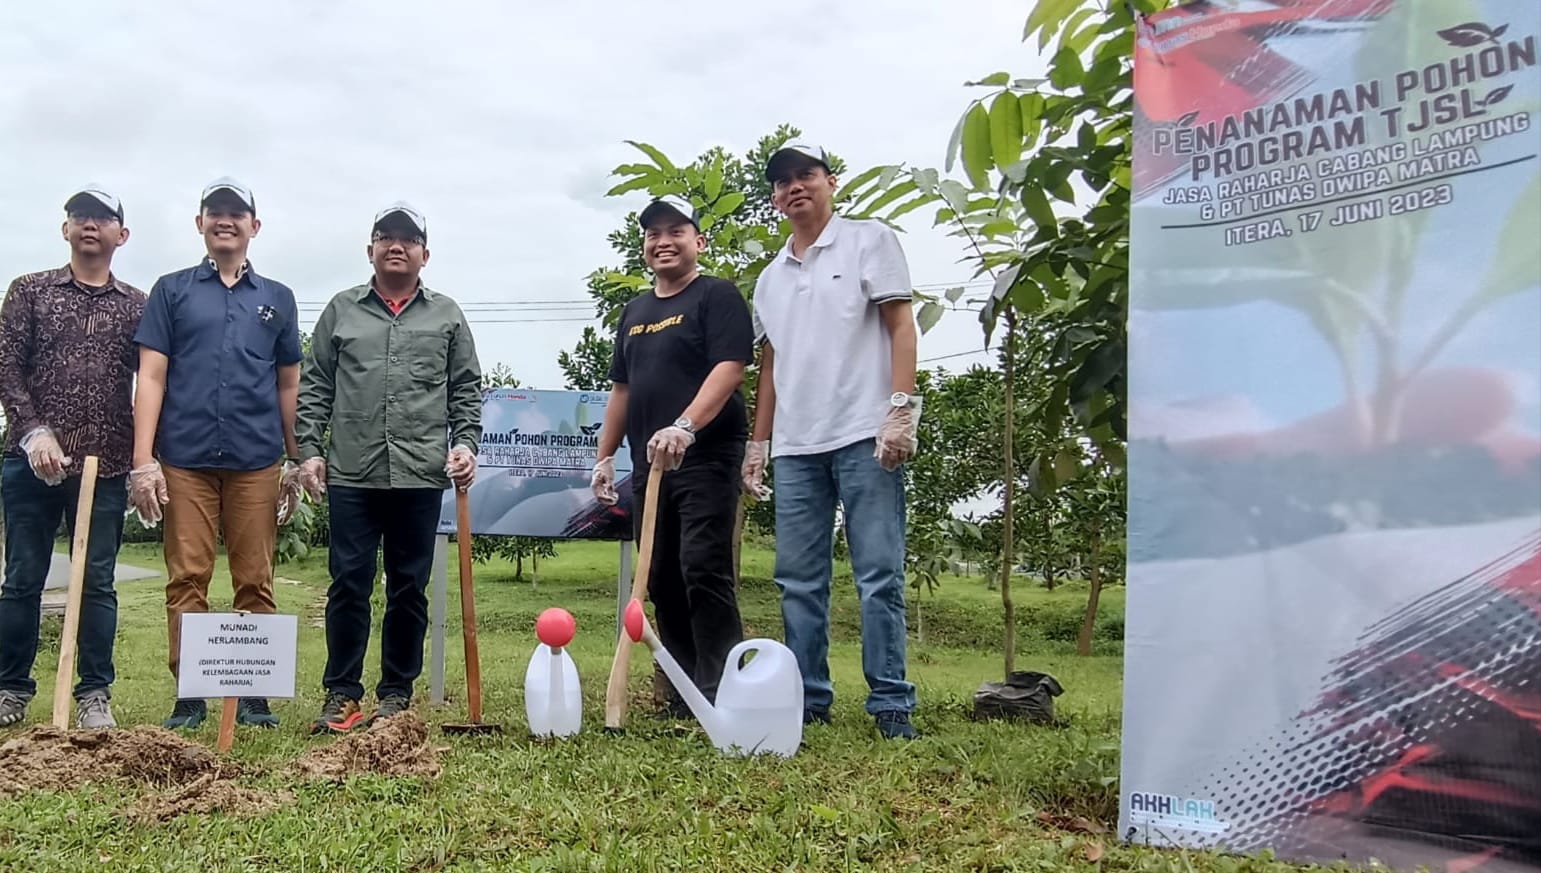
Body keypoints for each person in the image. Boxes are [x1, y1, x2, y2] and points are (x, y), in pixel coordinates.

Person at [743, 144, 923, 740]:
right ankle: (809, 699)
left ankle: (891, 703)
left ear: (829, 182)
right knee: (797, 580)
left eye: (806, 176)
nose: (795, 188)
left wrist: (901, 409)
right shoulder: (769, 279)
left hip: (864, 435)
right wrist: (758, 443)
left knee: (878, 573)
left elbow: (901, 324)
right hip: (796, 447)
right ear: (773, 197)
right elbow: (769, 367)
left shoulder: (869, 240)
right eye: (783, 182)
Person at [129, 177, 305, 731]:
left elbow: (288, 386)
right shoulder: (172, 290)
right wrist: (142, 460)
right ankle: (190, 695)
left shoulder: (277, 299)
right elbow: (151, 377)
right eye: (215, 212)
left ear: (255, 225)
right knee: (188, 576)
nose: (225, 220)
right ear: (200, 223)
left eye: (236, 212)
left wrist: (296, 459)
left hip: (257, 459)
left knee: (255, 578)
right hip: (185, 459)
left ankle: (253, 696)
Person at [299, 203, 481, 733]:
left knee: (408, 587)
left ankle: (396, 694)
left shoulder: (445, 314)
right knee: (349, 584)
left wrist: (466, 443)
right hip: (352, 474)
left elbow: (467, 388)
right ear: (370, 248)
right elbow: (315, 386)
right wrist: (310, 449)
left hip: (420, 474)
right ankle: (341, 694)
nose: (396, 246)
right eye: (385, 236)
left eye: (408, 238)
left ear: (425, 253)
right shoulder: (341, 310)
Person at [591, 195, 753, 714]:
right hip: (649, 466)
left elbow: (730, 368)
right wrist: (604, 457)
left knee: (702, 566)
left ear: (698, 241)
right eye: (654, 233)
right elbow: (623, 389)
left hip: (704, 456)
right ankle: (684, 694)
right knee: (659, 575)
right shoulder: (635, 311)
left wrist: (685, 425)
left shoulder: (717, 296)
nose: (664, 241)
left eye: (676, 231)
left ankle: (723, 690)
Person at [0, 187, 146, 730]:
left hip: (104, 467)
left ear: (120, 236)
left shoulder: (138, 303)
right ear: (66, 229)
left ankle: (94, 693)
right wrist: (33, 431)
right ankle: (11, 688)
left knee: (97, 581)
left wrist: (143, 461)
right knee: (22, 578)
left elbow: (150, 381)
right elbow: (7, 366)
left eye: (103, 218)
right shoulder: (30, 292)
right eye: (81, 216)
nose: (91, 225)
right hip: (31, 463)